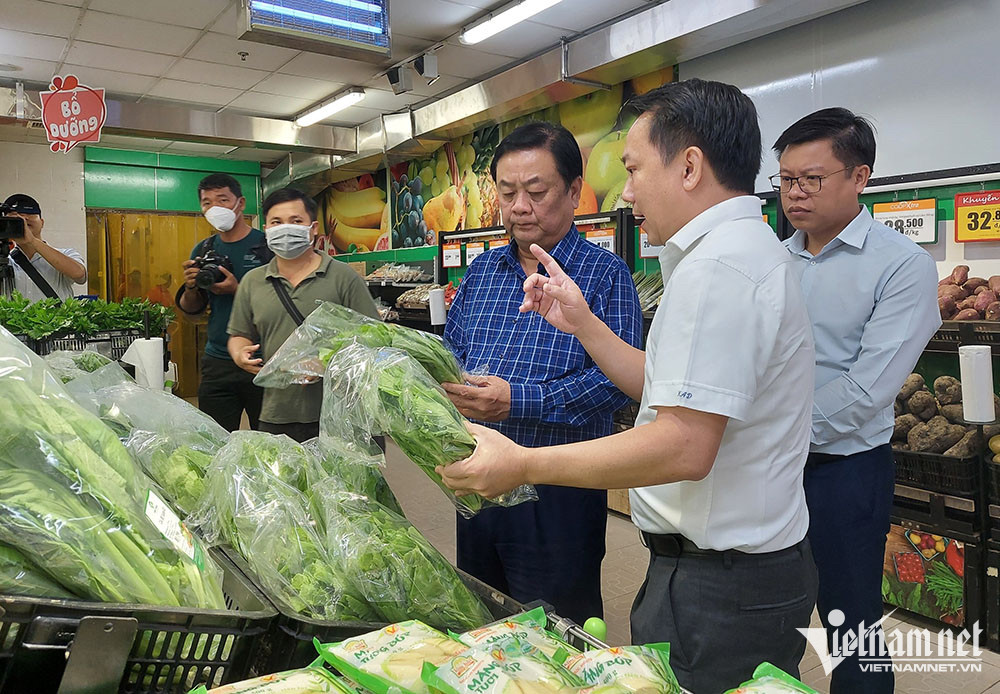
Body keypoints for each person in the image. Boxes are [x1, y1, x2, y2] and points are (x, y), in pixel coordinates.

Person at [437, 80, 818, 693]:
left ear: (689, 165)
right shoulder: (726, 255)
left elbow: (684, 446)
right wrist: (585, 325)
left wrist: (524, 463)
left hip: (722, 582)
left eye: (636, 168)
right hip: (712, 570)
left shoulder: (719, 270)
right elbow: (665, 387)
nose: (628, 190)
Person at [441, 122, 642, 626]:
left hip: (560, 486)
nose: (519, 207)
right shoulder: (483, 272)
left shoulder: (603, 275)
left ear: (575, 191)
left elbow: (613, 385)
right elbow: (452, 352)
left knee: (556, 629)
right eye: (507, 193)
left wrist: (518, 400)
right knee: (484, 616)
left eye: (536, 191)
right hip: (480, 480)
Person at [772, 108, 940, 693]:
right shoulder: (773, 259)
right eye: (785, 179)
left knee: (849, 627)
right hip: (768, 465)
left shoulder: (902, 265)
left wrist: (767, 434)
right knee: (771, 619)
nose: (794, 194)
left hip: (842, 472)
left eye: (811, 179)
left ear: (860, 176)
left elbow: (868, 390)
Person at [227, 187, 378, 443]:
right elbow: (239, 333)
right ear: (266, 228)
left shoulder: (343, 277)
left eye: (296, 221)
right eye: (277, 222)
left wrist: (327, 361)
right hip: (277, 413)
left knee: (346, 484)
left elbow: (375, 336)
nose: (286, 228)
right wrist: (240, 353)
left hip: (341, 412)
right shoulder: (253, 281)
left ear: (313, 227)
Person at [177, 174, 269, 432]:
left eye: (222, 200)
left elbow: (282, 304)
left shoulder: (266, 246)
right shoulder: (204, 250)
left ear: (240, 203)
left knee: (271, 440)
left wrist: (237, 289)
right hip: (217, 359)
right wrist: (191, 286)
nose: (214, 208)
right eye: (207, 203)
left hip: (264, 358)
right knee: (214, 439)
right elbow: (193, 311)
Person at [1, 193, 86, 301]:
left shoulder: (65, 254)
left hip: (56, 318)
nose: (23, 218)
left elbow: (79, 274)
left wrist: (32, 241)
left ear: (42, 223)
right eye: (15, 216)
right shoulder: (5, 260)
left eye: (29, 213)